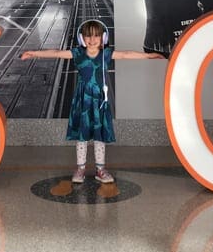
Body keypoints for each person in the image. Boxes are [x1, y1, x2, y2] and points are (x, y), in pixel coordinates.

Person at [20, 20, 165, 184]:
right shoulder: (77, 53)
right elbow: (56, 52)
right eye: (88, 36)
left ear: (103, 37)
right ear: (82, 38)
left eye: (96, 35)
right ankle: (80, 169)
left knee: (99, 136)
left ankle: (100, 169)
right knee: (81, 137)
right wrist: (33, 53)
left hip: (99, 102)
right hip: (82, 101)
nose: (92, 39)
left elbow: (126, 54)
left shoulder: (106, 54)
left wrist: (148, 55)